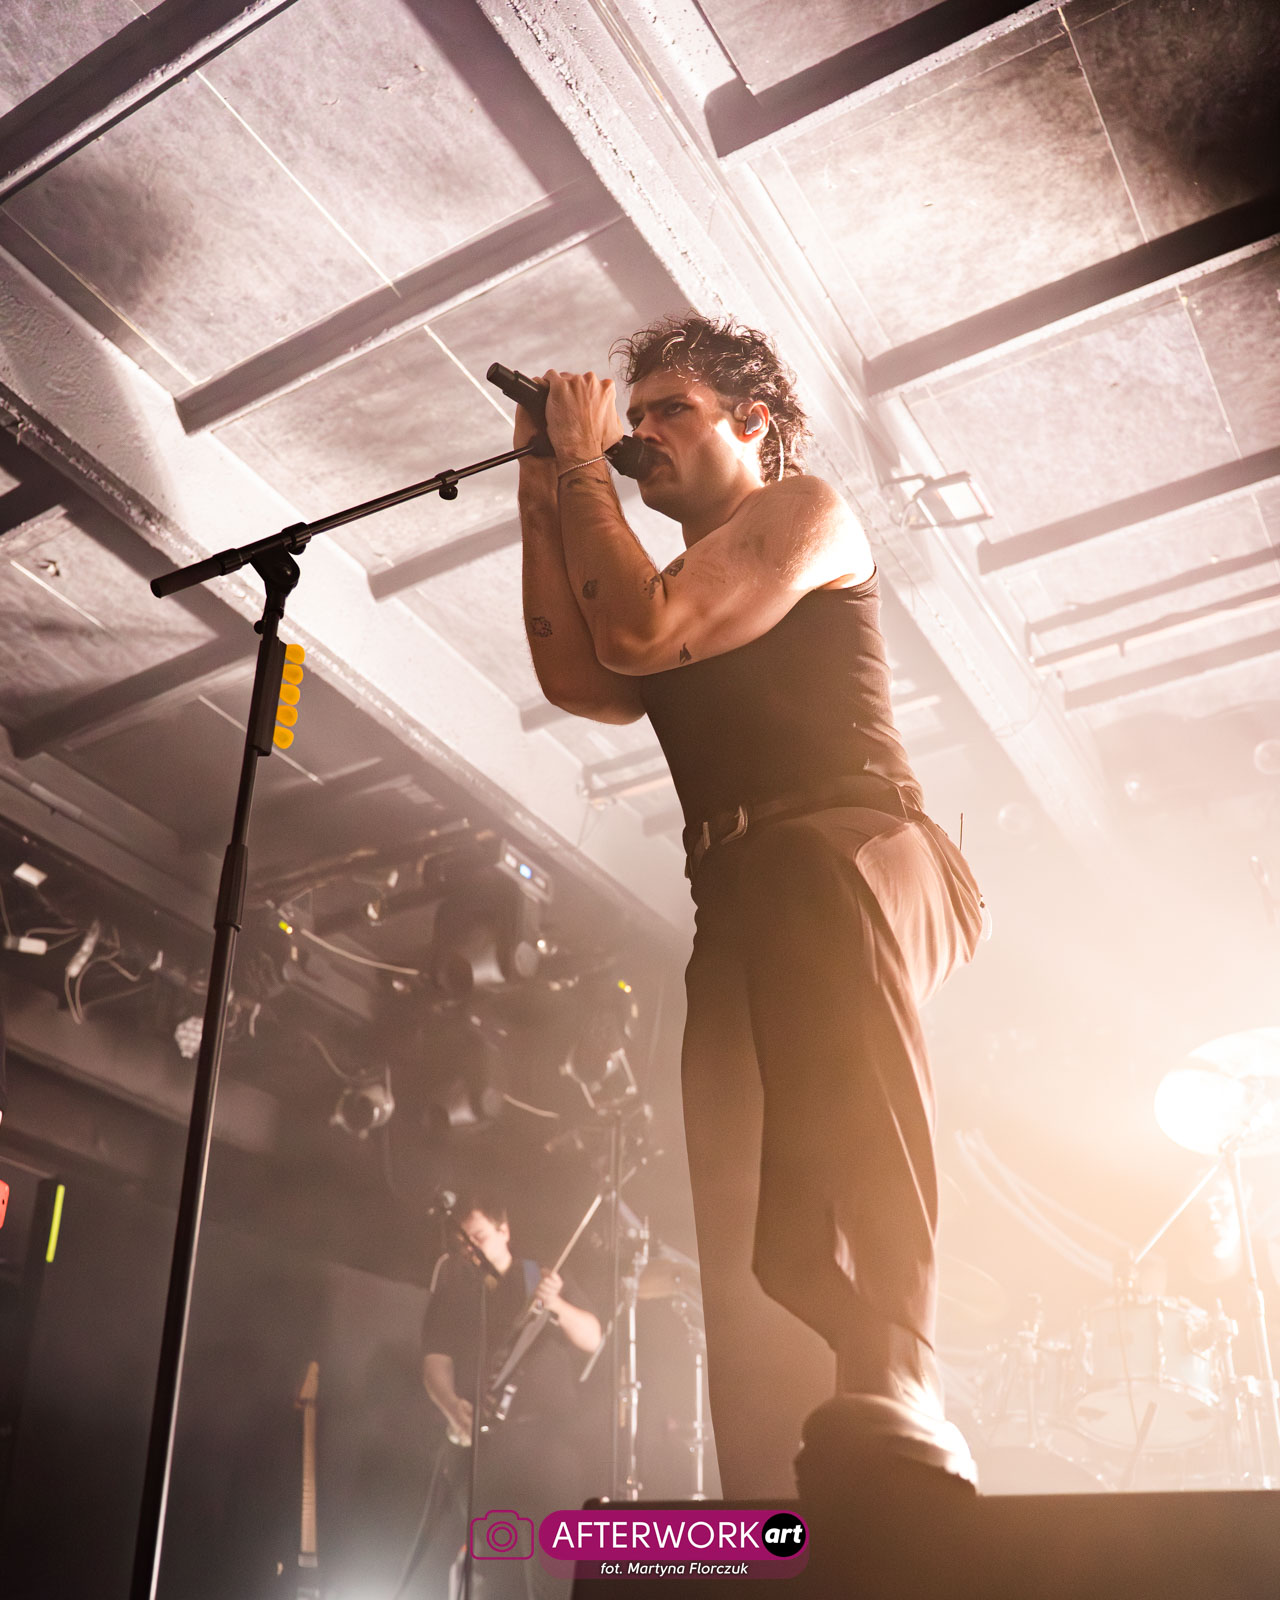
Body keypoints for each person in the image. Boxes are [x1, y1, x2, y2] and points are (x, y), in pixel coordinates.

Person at [515, 315, 987, 1503]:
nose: (640, 431)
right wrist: (539, 475)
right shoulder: (665, 578)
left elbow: (638, 628)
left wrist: (581, 466)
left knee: (791, 883)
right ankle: (781, 1504)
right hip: (740, 900)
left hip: (862, 847)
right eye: (632, 416)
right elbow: (580, 672)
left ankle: (900, 1361)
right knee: (741, 1217)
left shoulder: (801, 514)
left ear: (751, 422)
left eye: (667, 409)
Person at [420, 1193, 600, 1595]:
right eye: (464, 1243)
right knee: (494, 1575)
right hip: (485, 1449)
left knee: (556, 1571)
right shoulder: (452, 1292)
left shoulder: (543, 1278)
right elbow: (434, 1363)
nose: (471, 1249)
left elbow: (592, 1336)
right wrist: (451, 1406)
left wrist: (556, 1305)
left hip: (550, 1445)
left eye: (479, 1237)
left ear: (504, 1231)